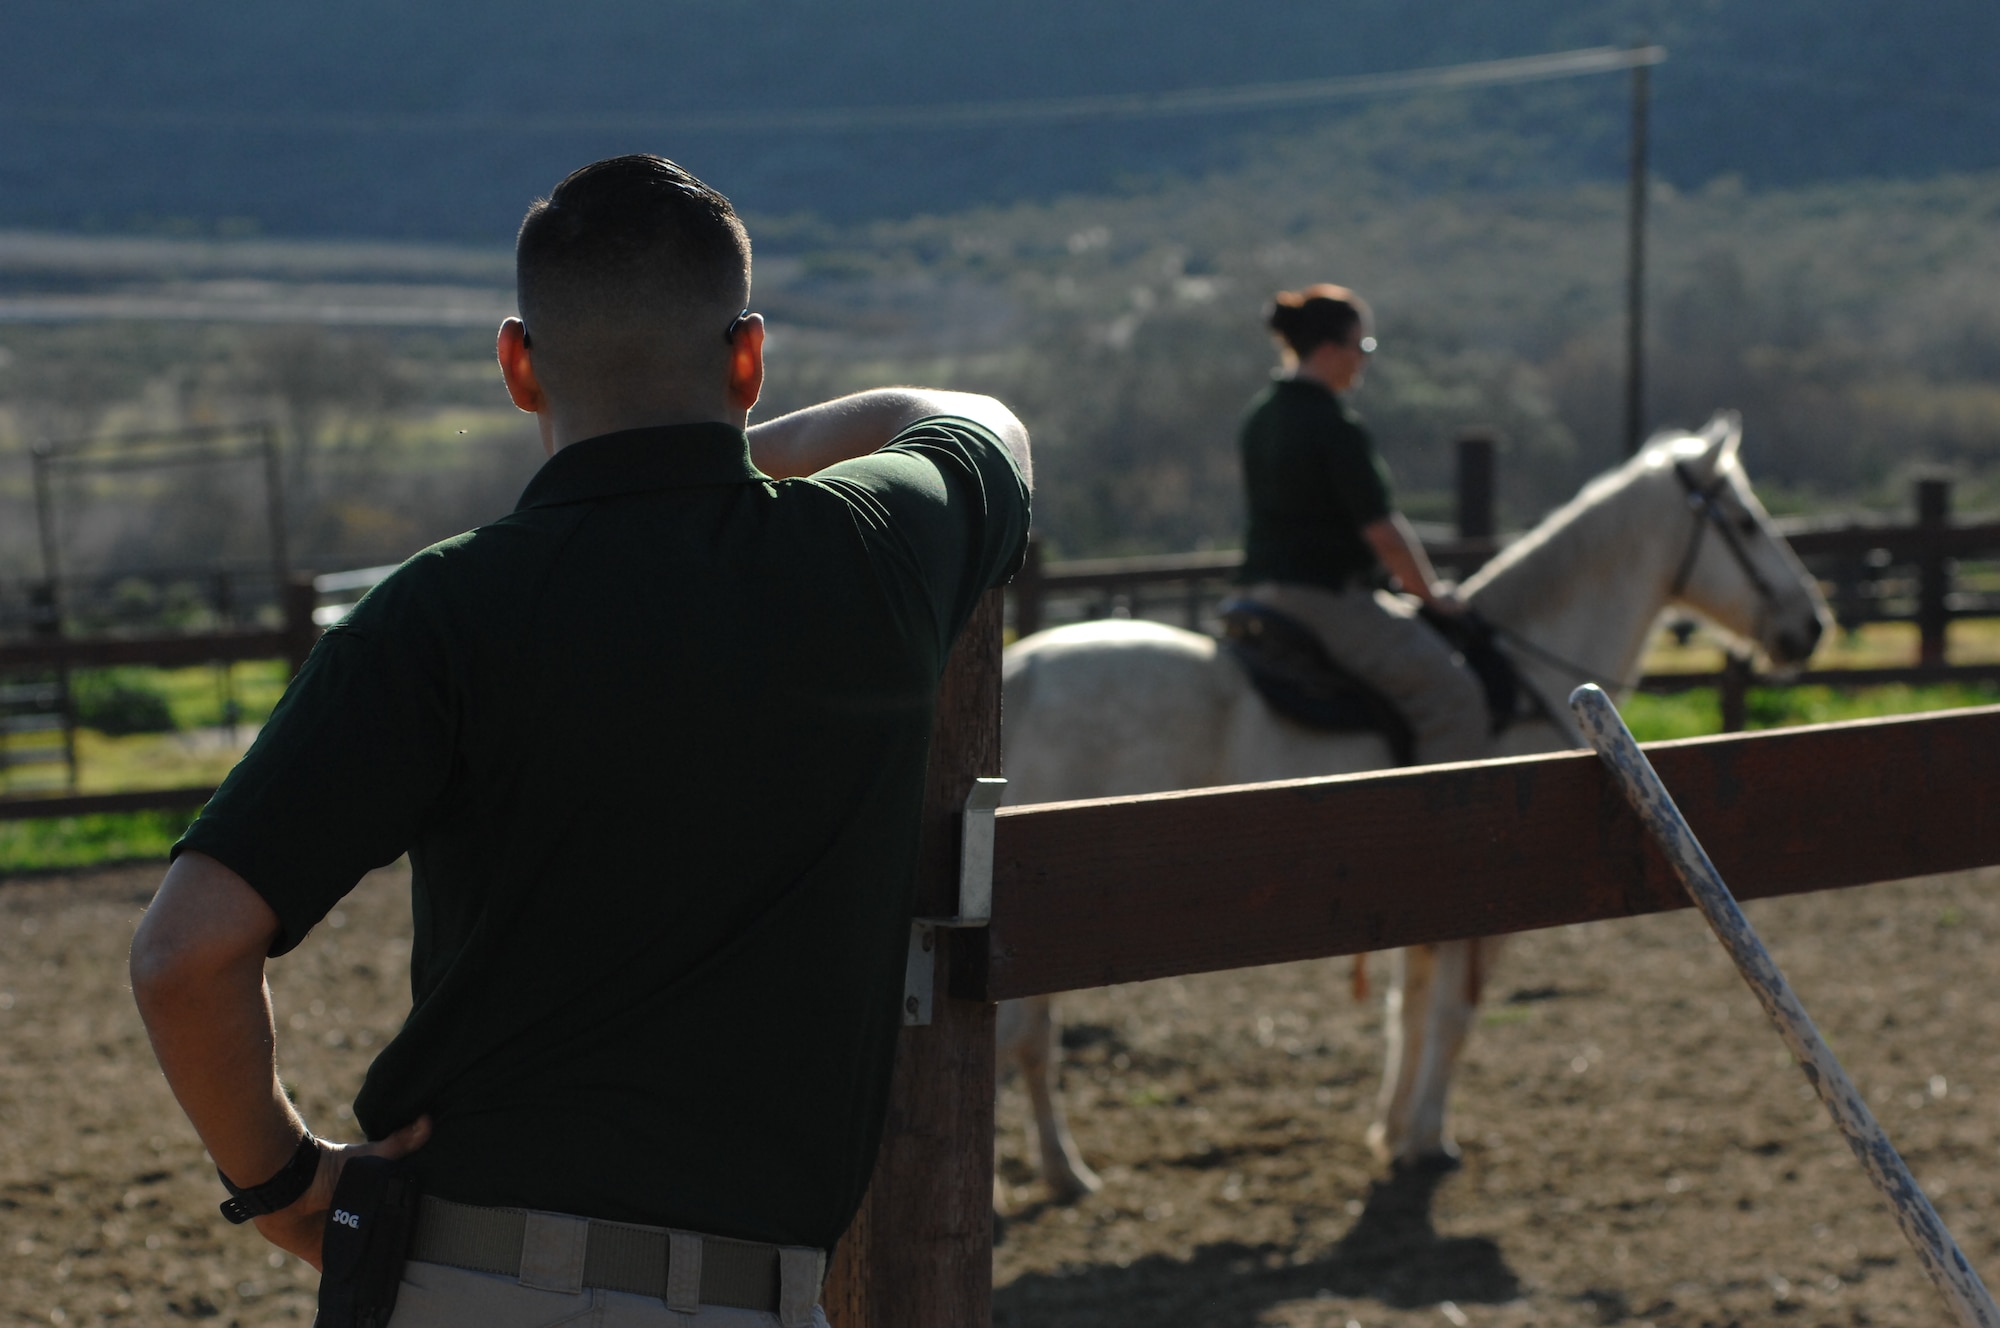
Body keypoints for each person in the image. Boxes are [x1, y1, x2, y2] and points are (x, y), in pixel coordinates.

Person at [127, 154, 1031, 1327]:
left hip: (463, 1282)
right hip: (754, 1297)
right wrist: (728, 463)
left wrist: (289, 1186)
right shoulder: (870, 554)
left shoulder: (439, 611)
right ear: (747, 358)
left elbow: (182, 956)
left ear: (516, 365)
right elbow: (976, 421)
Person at [1235, 283, 1487, 766]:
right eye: (1362, 346)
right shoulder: (1333, 424)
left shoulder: (1260, 416)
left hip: (1257, 594)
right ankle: (1440, 836)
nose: (1365, 359)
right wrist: (1433, 597)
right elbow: (1383, 534)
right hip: (1325, 596)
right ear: (1330, 351)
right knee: (1455, 699)